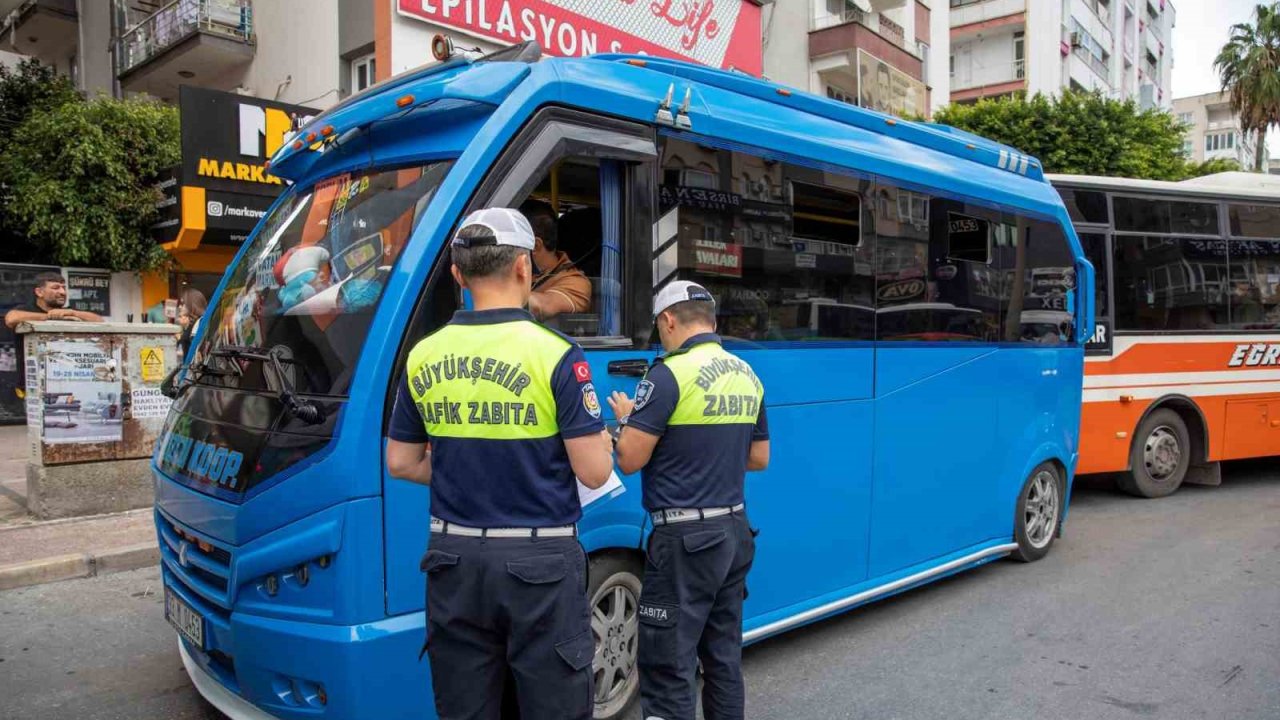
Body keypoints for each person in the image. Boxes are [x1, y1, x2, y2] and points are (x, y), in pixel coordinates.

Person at [384, 207, 614, 719]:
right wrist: (601, 438)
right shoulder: (556, 353)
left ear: (457, 274)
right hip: (539, 567)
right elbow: (595, 473)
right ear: (523, 268)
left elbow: (400, 462)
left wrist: (453, 471)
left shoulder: (425, 354)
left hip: (453, 561)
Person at [606, 281, 770, 720]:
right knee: (722, 659)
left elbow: (629, 458)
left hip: (683, 540)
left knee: (667, 665)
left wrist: (626, 423)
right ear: (711, 322)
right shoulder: (745, 373)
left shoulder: (666, 375)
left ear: (669, 320)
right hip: (734, 530)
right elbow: (758, 457)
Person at [521, 200, 592, 321]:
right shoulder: (524, 271)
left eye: (512, 245)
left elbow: (540, 306)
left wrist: (490, 292)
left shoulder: (575, 283)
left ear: (536, 246)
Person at [4, 272, 103, 329]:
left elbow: (99, 321)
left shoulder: (68, 312)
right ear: (39, 292)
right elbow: (11, 318)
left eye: (64, 288)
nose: (63, 292)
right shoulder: (26, 309)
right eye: (56, 288)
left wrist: (72, 313)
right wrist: (50, 317)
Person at [176, 287, 208, 359]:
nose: (180, 306)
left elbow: (198, 351)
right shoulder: (193, 323)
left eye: (183, 303)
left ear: (192, 304)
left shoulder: (201, 322)